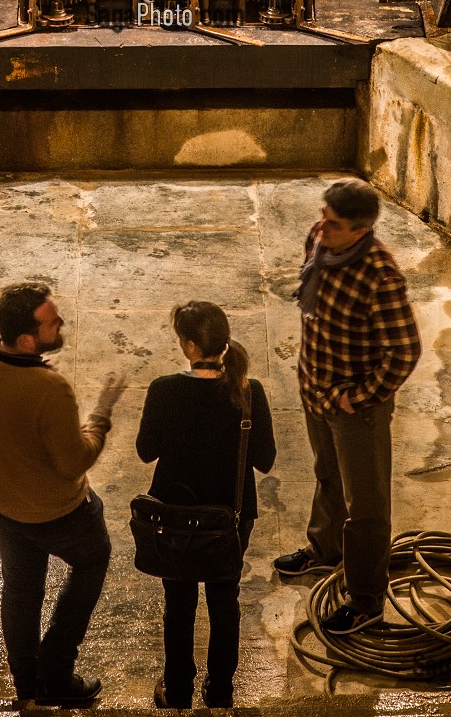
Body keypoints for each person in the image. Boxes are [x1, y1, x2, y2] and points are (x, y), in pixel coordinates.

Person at [0, 282, 127, 708]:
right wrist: (100, 416)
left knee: (21, 590)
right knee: (93, 559)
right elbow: (73, 462)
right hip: (58, 513)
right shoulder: (51, 388)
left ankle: (28, 687)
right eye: (53, 321)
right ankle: (57, 671)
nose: (62, 322)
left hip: (0, 504)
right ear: (28, 340)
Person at [272, 178, 421, 635]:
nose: (321, 227)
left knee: (367, 506)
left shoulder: (380, 275)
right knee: (326, 473)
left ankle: (366, 600)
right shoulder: (320, 243)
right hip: (315, 388)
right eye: (323, 216)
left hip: (357, 409)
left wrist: (356, 397)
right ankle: (324, 550)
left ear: (359, 231)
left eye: (333, 224)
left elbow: (405, 351)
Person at [136, 301, 276, 709]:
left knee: (178, 603)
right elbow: (265, 460)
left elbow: (147, 451)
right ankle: (220, 691)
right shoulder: (249, 393)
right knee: (223, 599)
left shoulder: (164, 390)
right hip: (230, 516)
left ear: (191, 346)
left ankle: (177, 690)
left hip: (174, 516)